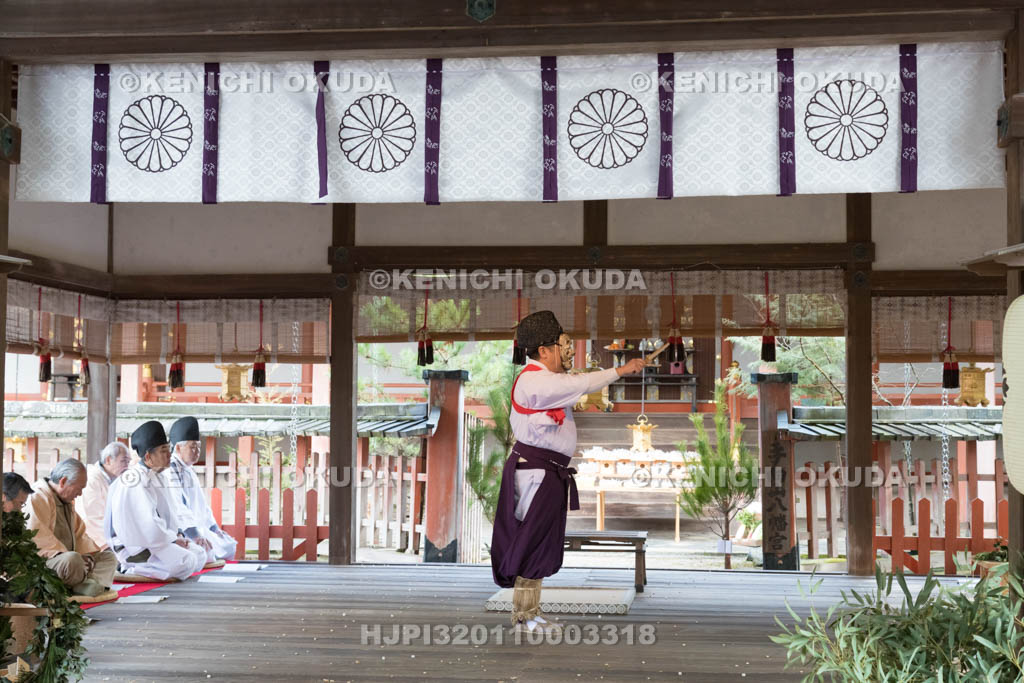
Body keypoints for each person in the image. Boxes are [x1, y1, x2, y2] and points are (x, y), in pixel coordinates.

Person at [490, 310, 646, 634]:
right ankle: (523, 617)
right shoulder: (536, 380)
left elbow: (577, 386)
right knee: (532, 542)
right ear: (544, 351)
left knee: (540, 542)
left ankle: (531, 612)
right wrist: (622, 369)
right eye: (560, 346)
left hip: (546, 473)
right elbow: (582, 382)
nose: (566, 352)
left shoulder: (548, 383)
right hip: (536, 473)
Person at [105, 421, 206, 581]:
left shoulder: (158, 475)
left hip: (157, 540)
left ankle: (153, 567)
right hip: (136, 547)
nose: (169, 455)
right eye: (163, 451)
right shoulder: (135, 480)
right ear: (148, 456)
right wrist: (173, 540)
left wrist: (178, 534)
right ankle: (131, 568)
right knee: (187, 561)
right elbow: (147, 524)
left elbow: (169, 515)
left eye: (169, 450)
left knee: (200, 554)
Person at [24, 459, 118, 597]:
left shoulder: (66, 501)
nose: (80, 494)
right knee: (72, 560)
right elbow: (38, 538)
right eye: (79, 488)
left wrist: (87, 556)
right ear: (63, 481)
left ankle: (85, 583)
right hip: (49, 562)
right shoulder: (38, 496)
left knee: (108, 557)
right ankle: (82, 584)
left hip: (72, 560)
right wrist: (74, 556)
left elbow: (80, 535)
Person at [165, 417, 237, 561]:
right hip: (183, 531)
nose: (197, 451)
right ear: (178, 447)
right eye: (193, 447)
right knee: (206, 553)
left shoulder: (189, 470)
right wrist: (195, 534)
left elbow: (202, 506)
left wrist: (215, 528)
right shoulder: (171, 469)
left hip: (199, 527)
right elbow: (177, 507)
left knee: (228, 545)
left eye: (198, 446)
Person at [75, 441, 131, 549]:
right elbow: (92, 518)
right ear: (109, 460)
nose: (127, 466)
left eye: (128, 462)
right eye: (123, 461)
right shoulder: (92, 479)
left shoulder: (116, 479)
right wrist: (118, 539)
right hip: (97, 540)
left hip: (115, 535)